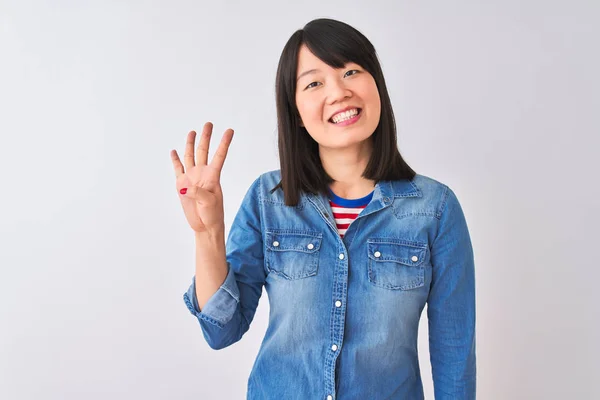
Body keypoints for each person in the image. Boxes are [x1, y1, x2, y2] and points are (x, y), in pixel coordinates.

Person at [170, 18, 476, 400]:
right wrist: (208, 232)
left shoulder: (436, 208)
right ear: (296, 110)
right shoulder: (269, 199)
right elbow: (221, 331)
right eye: (314, 82)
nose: (339, 92)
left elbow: (454, 353)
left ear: (377, 85)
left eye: (351, 71)